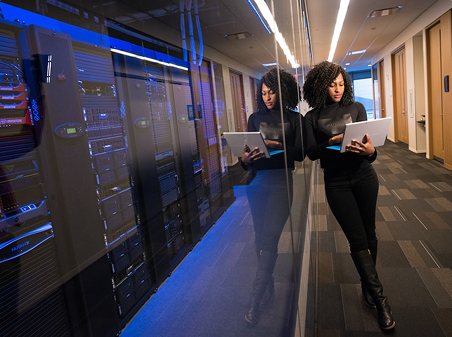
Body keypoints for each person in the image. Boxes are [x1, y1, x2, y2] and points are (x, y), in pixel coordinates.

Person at [302, 61, 395, 330]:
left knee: (370, 234)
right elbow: (310, 152)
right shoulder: (312, 117)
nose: (338, 89)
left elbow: (370, 148)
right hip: (336, 182)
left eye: (342, 84)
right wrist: (330, 142)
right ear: (321, 85)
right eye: (332, 84)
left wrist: (371, 152)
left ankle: (368, 286)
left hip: (364, 176)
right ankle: (380, 301)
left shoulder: (357, 108)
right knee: (356, 240)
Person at [241, 68, 304, 325]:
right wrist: (245, 159)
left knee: (269, 239)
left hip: (281, 186)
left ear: (282, 91)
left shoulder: (294, 118)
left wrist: (277, 146)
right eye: (264, 93)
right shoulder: (254, 118)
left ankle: (255, 299)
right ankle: (268, 286)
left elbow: (300, 154)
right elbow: (246, 160)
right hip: (257, 184)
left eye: (272, 92)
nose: (267, 97)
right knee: (259, 240)